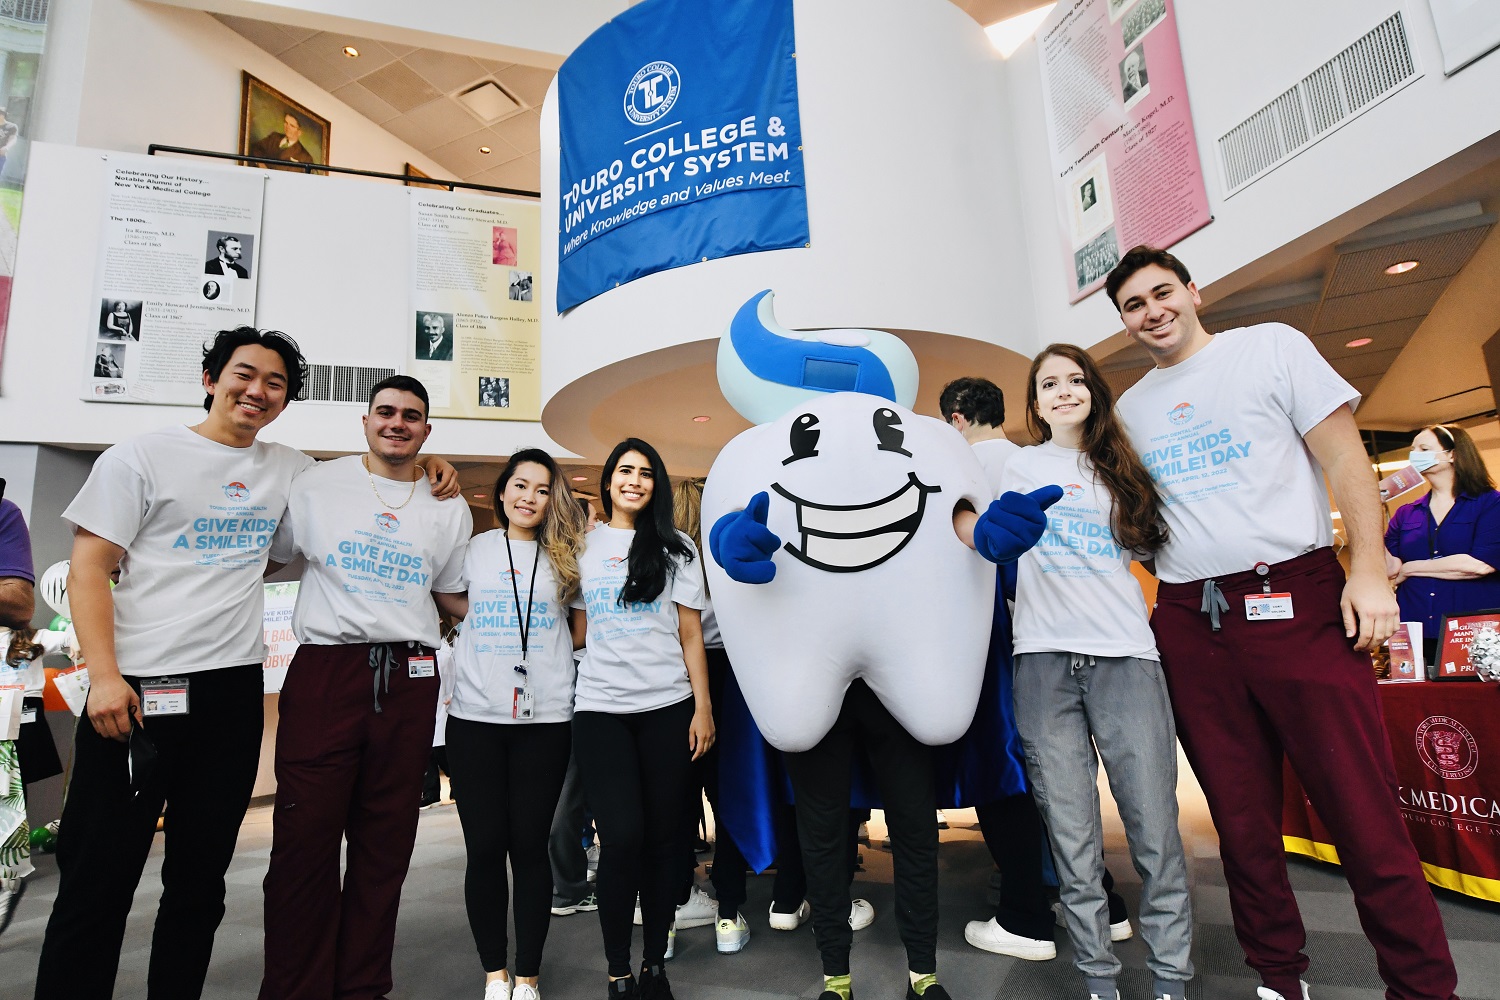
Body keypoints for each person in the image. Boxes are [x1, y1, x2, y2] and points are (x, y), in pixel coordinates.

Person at [1108, 245, 1458, 1000]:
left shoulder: (1270, 347)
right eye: (1133, 306)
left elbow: (1345, 463)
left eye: (1162, 293)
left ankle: (1423, 986)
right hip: (1189, 620)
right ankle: (1278, 976)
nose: (1152, 312)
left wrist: (1366, 569)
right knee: (1239, 821)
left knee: (1362, 810)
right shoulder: (1130, 408)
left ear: (1193, 291)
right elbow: (1143, 520)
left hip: (1297, 603)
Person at [34, 327, 313, 1000]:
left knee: (199, 884)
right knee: (98, 879)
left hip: (232, 695)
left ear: (284, 401)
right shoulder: (142, 457)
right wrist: (104, 675)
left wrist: (434, 474)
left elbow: (295, 541)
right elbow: (89, 569)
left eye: (275, 383)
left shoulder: (291, 468)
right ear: (211, 378)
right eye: (244, 374)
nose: (257, 390)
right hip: (134, 692)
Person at [258, 375, 472, 1000]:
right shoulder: (315, 484)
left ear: (426, 430)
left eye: (411, 416)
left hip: (410, 678)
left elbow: (452, 596)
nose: (397, 423)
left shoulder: (448, 504)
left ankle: (362, 987)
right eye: (386, 412)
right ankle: (295, 990)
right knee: (304, 848)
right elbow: (268, 556)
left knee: (385, 851)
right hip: (329, 671)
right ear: (366, 420)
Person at [1002, 345, 1193, 1000]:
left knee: (1154, 832)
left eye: (1075, 380)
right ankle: (1099, 982)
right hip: (1042, 664)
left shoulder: (1122, 468)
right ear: (1033, 401)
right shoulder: (1014, 464)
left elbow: (1162, 550)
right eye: (1048, 383)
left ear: (1094, 392)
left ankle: (1171, 981)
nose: (1062, 391)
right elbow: (964, 522)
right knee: (1073, 840)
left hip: (1125, 660)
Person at [938, 377, 1132, 962]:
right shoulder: (1034, 462)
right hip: (1061, 630)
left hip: (993, 638)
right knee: (1061, 773)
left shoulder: (958, 473)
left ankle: (1024, 915)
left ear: (955, 418)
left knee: (1002, 773)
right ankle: (1101, 900)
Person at [572, 438, 714, 1000]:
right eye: (625, 471)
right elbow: (579, 631)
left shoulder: (675, 547)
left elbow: (690, 634)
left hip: (667, 709)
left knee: (665, 841)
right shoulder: (581, 547)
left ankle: (655, 964)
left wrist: (703, 708)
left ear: (656, 486)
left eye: (646, 473)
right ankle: (616, 969)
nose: (634, 480)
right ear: (608, 481)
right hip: (602, 711)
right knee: (622, 837)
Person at [445, 449, 588, 1000]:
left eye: (543, 488)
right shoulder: (474, 550)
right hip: (476, 718)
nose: (530, 497)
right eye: (520, 486)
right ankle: (493, 973)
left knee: (530, 847)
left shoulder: (565, 556)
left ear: (554, 499)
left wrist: (542, 654)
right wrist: (481, 622)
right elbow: (448, 594)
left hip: (546, 718)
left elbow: (579, 629)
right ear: (501, 493)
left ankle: (527, 972)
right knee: (484, 848)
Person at [1385, 423, 1500, 666]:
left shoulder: (1490, 504)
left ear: (1451, 454)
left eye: (1424, 448)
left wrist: (1411, 568)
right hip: (1414, 629)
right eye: (1413, 449)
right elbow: (1390, 569)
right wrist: (1371, 512)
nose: (1414, 455)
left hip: (1472, 631)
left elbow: (1479, 564)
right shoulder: (1407, 513)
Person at [251, 112, 316, 167]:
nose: (287, 127)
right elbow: (256, 148)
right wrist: (260, 164)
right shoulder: (274, 137)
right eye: (286, 122)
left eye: (292, 126)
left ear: (299, 132)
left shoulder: (305, 157)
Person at [0, 108, 19, 177]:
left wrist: (6, 147)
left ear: (3, 115)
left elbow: (13, 139)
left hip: (1, 155)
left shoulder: (11, 127)